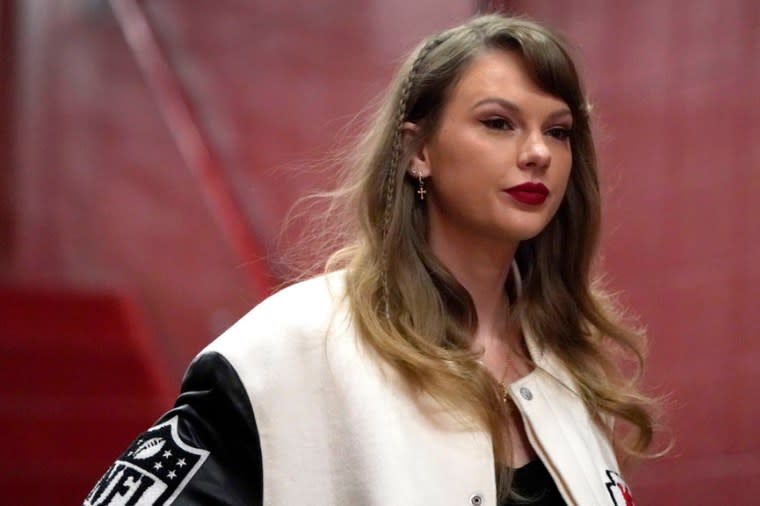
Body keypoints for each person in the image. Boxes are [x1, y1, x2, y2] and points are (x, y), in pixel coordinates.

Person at [84, 13, 657, 506]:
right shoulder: (293, 347)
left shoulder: (569, 367)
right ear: (418, 150)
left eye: (558, 132)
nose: (537, 153)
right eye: (498, 123)